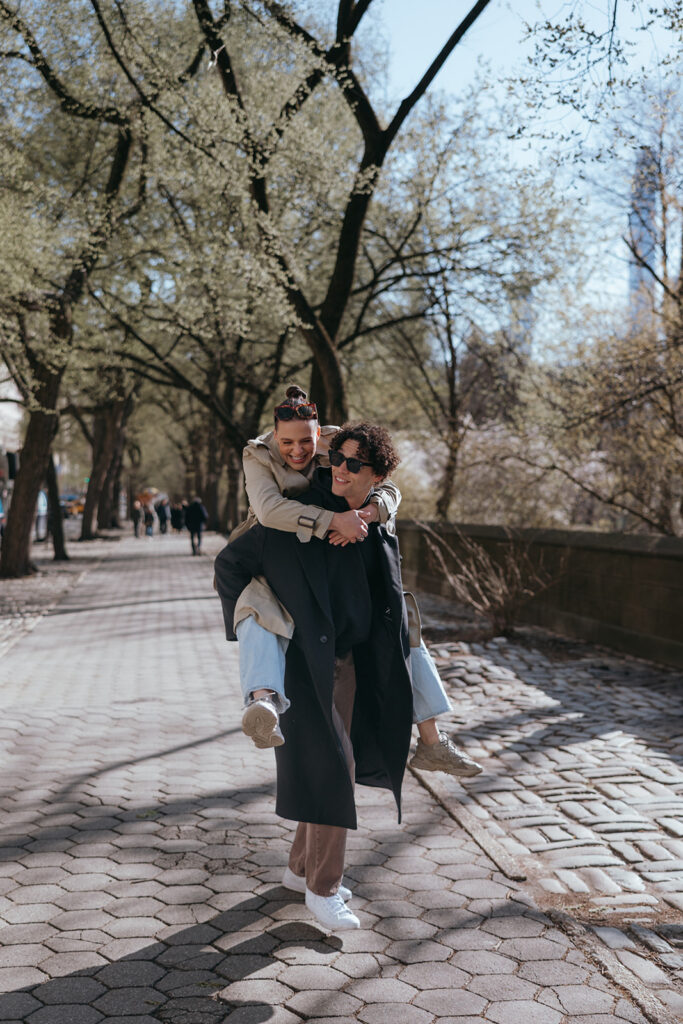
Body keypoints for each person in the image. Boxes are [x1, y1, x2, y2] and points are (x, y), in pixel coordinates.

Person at [214, 423, 415, 931]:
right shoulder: (298, 512)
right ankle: (323, 890)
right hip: (302, 664)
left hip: (347, 663)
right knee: (334, 766)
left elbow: (389, 519)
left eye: (354, 464)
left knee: (331, 764)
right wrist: (262, 620)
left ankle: (299, 869)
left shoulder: (372, 520)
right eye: (337, 460)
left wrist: (371, 513)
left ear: (376, 475)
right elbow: (230, 565)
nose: (340, 469)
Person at [231, 386, 481, 779]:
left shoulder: (338, 447)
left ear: (320, 435)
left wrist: (365, 514)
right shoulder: (257, 454)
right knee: (259, 612)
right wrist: (335, 522)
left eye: (306, 442)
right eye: (287, 442)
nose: (297, 451)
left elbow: (390, 487)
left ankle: (431, 739)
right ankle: (262, 702)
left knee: (402, 627)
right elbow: (268, 510)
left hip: (326, 554)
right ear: (274, 437)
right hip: (274, 553)